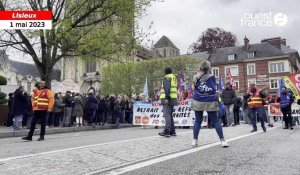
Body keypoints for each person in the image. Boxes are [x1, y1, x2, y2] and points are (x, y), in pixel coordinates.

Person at [191, 61, 229, 147]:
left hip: (198, 100)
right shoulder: (212, 77)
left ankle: (194, 140)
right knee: (215, 121)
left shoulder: (195, 77)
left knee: (198, 121)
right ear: (208, 68)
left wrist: (197, 76)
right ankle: (222, 141)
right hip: (209, 101)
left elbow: (193, 88)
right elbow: (214, 86)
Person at [158, 67, 178, 137]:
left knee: (166, 114)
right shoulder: (174, 78)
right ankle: (173, 131)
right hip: (173, 98)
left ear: (165, 72)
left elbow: (167, 88)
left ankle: (167, 131)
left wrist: (166, 98)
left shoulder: (167, 77)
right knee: (170, 115)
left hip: (167, 98)